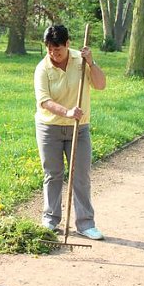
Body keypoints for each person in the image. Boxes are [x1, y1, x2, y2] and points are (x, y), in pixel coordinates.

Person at [34, 24, 107, 240]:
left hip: (79, 128)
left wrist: (91, 63)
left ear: (67, 44)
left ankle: (86, 224)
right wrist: (67, 111)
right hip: (50, 128)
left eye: (58, 49)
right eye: (49, 49)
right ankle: (50, 219)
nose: (53, 54)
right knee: (52, 174)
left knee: (81, 175)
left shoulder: (80, 61)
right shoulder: (42, 68)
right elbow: (44, 101)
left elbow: (101, 85)